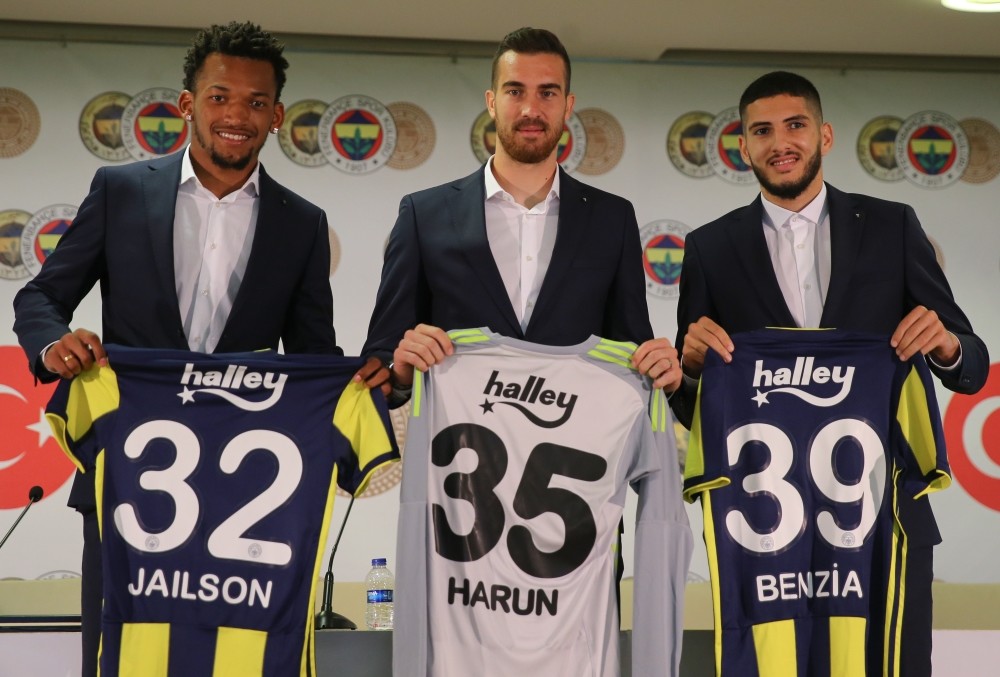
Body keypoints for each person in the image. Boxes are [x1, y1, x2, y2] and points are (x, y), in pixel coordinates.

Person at [12, 21, 386, 677]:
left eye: (255, 103)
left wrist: (355, 379)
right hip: (126, 481)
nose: (236, 115)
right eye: (219, 97)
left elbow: (309, 358)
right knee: (120, 658)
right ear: (187, 104)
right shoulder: (121, 191)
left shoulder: (300, 224)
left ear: (274, 117)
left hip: (246, 499)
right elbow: (39, 298)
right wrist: (53, 345)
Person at [672, 70, 989, 676]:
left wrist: (946, 345)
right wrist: (689, 373)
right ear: (743, 145)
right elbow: (702, 406)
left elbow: (972, 367)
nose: (780, 142)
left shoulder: (893, 226)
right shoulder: (710, 248)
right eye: (761, 131)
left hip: (883, 523)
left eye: (795, 125)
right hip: (767, 536)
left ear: (825, 134)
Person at [363, 26, 680, 396]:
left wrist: (660, 375)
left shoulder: (613, 218)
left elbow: (630, 355)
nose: (531, 109)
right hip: (456, 447)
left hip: (576, 447)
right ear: (492, 101)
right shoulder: (423, 214)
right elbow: (381, 358)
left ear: (568, 104)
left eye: (548, 92)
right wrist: (398, 372)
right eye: (515, 91)